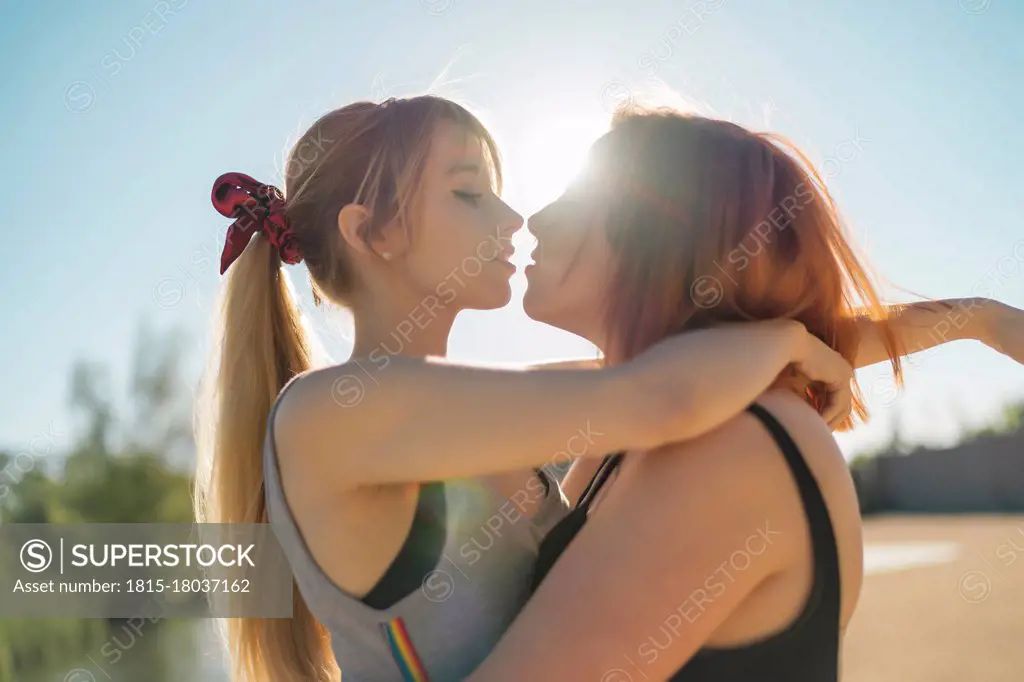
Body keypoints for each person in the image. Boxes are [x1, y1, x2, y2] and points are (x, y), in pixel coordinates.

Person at [194, 95, 1022, 682]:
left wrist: (977, 320)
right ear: (370, 231)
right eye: (470, 193)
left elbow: (690, 364)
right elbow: (663, 396)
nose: (514, 220)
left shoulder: (480, 410)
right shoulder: (332, 412)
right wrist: (778, 339)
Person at [460, 107, 1024, 682]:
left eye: (577, 198)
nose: (538, 219)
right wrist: (973, 319)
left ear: (663, 238)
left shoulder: (728, 440)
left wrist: (977, 319)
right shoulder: (636, 417)